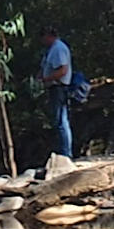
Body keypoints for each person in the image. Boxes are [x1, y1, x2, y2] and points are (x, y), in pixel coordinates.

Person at [37, 29, 79, 159]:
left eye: (43, 37)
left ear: (49, 36)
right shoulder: (51, 50)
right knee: (58, 121)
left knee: (61, 121)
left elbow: (62, 70)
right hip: (54, 88)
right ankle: (62, 151)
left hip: (59, 88)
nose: (42, 41)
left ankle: (66, 153)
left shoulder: (58, 49)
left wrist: (46, 79)